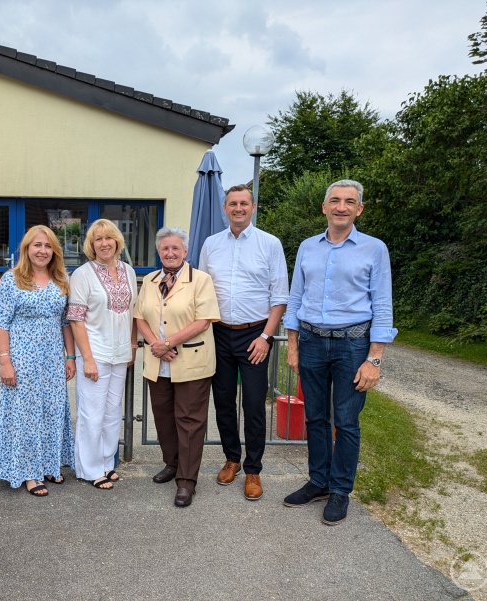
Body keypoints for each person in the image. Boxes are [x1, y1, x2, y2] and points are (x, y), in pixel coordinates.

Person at [283, 179, 397, 525]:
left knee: (346, 421)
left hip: (353, 345)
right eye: (335, 200)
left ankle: (340, 490)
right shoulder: (308, 247)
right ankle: (319, 481)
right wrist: (292, 344)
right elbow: (296, 296)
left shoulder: (374, 249)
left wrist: (374, 358)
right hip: (311, 342)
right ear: (324, 207)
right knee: (315, 417)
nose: (341, 207)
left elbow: (382, 304)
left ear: (359, 209)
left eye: (349, 201)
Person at [199, 184, 289, 500]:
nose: (238, 208)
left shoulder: (270, 244)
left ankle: (253, 470)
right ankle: (232, 458)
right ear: (225, 208)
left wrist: (266, 336)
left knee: (253, 404)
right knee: (223, 400)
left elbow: (280, 296)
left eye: (244, 203)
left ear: (253, 207)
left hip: (256, 335)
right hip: (219, 333)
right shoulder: (211, 244)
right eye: (232, 203)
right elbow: (201, 291)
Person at [134, 226, 220, 507]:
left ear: (185, 251)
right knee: (163, 417)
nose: (170, 253)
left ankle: (186, 480)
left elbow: (203, 320)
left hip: (191, 361)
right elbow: (140, 317)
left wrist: (168, 342)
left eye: (175, 248)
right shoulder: (149, 280)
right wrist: (155, 344)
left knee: (189, 421)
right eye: (165, 248)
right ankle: (172, 463)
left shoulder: (201, 280)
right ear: (158, 252)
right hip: (158, 361)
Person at [0, 225, 76, 497]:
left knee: (52, 411)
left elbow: (66, 322)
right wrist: (5, 362)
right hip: (22, 359)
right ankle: (29, 472)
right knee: (26, 415)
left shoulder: (62, 279)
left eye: (48, 246)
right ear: (26, 249)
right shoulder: (11, 279)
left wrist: (70, 356)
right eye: (37, 245)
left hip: (52, 359)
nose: (42, 250)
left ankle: (49, 464)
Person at [67, 219, 138, 490]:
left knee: (112, 413)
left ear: (118, 241)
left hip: (120, 353)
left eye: (109, 237)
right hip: (94, 353)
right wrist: (87, 359)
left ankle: (107, 462)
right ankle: (89, 468)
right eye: (98, 239)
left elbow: (132, 313)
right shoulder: (82, 274)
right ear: (91, 244)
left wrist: (132, 347)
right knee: (91, 413)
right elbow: (76, 319)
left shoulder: (129, 271)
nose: (104, 243)